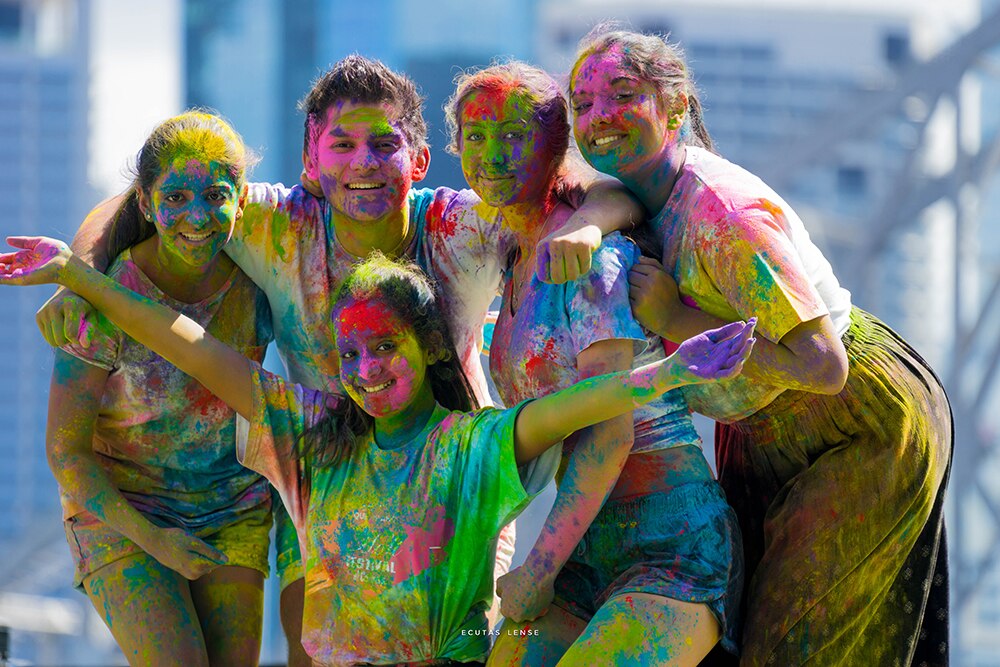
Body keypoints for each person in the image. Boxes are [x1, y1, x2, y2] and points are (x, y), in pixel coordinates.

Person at [34, 55, 642, 665]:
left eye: (385, 145)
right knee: (316, 654)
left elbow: (596, 192)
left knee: (448, 653)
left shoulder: (460, 227)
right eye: (343, 145)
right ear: (312, 164)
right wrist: (77, 277)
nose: (364, 164)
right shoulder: (279, 224)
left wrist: (587, 228)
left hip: (451, 482)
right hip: (324, 475)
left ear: (420, 161)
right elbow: (146, 199)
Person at [2, 240, 756, 665]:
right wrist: (77, 274)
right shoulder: (311, 437)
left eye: (383, 348)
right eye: (349, 354)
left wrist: (671, 372)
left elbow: (571, 407)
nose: (366, 371)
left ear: (427, 345)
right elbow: (192, 346)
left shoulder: (468, 448)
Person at [569, 25, 953, 666]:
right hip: (760, 425)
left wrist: (678, 316)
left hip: (853, 421)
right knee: (737, 638)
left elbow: (824, 366)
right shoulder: (638, 192)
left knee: (791, 645)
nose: (599, 117)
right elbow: (598, 192)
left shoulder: (725, 217)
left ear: (677, 106)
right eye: (582, 104)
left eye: (622, 94)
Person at [446, 62, 745, 665]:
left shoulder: (589, 257)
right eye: (475, 137)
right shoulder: (510, 248)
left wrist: (536, 568)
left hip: (670, 545)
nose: (493, 156)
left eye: (513, 135)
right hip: (585, 548)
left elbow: (610, 433)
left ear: (555, 145)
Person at [43, 112, 273, 665]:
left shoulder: (260, 277)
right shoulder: (106, 297)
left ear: (240, 200)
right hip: (122, 509)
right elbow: (65, 452)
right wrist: (152, 539)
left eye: (215, 195)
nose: (197, 216)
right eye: (175, 198)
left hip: (232, 508)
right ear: (145, 203)